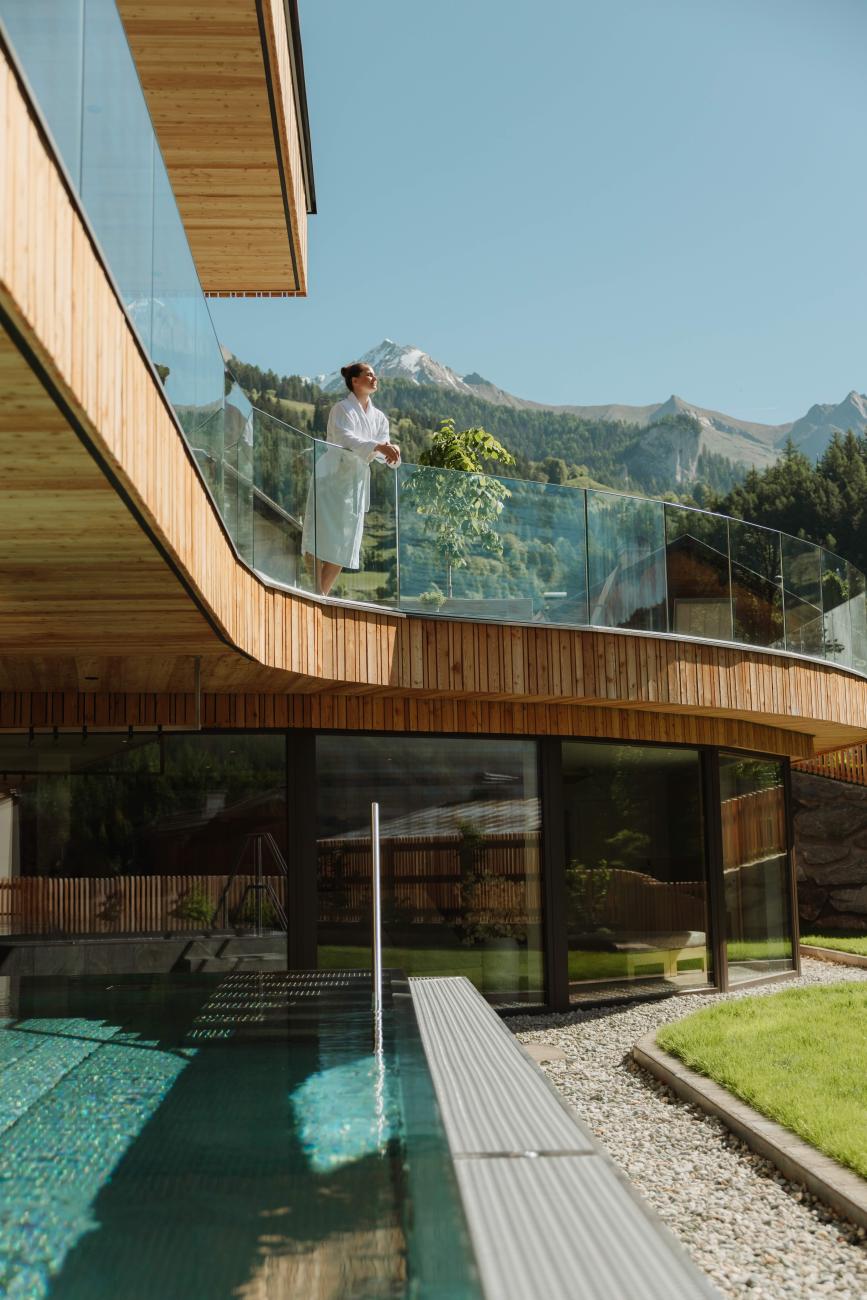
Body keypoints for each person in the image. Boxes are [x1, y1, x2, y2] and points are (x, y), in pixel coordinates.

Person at [301, 361, 400, 595]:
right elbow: (346, 439)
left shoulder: (380, 418)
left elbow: (380, 451)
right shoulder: (342, 409)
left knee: (346, 542)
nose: (374, 378)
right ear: (354, 381)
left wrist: (392, 453)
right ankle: (318, 593)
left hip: (355, 485)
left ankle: (319, 594)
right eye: (369, 374)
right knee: (319, 535)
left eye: (375, 375)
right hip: (331, 478)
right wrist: (378, 447)